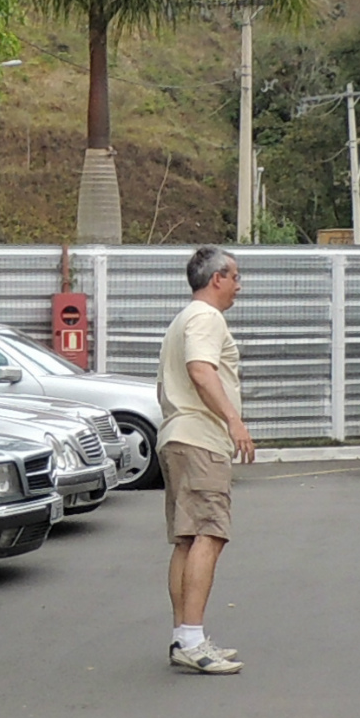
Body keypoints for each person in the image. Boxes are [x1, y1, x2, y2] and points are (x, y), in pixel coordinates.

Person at [155, 245, 253, 675]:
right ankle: (192, 638)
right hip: (199, 440)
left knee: (188, 538)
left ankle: (184, 636)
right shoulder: (205, 317)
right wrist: (233, 419)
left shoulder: (184, 318)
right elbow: (200, 369)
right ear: (217, 278)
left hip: (178, 436)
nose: (238, 286)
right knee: (210, 533)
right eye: (234, 277)